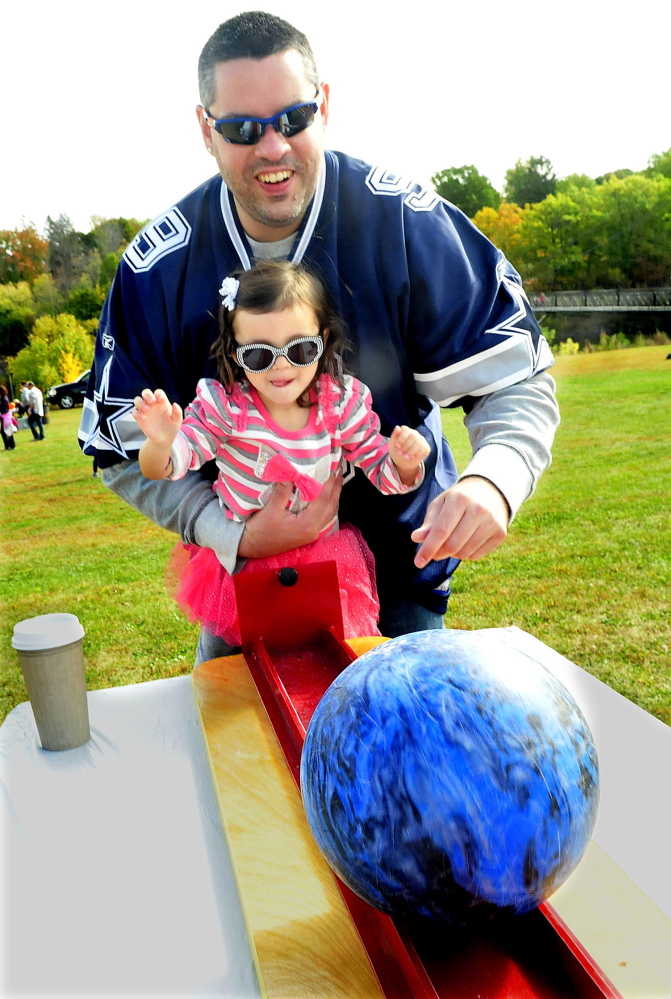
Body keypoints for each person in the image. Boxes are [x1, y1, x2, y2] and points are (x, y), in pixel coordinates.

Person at [79, 11, 559, 663]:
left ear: (324, 106)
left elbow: (515, 376)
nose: (272, 147)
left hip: (398, 573)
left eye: (293, 118)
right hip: (246, 580)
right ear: (205, 130)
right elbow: (118, 449)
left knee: (403, 755)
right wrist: (234, 532)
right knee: (235, 754)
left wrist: (493, 480)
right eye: (243, 129)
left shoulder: (402, 226)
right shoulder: (161, 268)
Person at [134, 261, 430, 644]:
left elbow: (383, 473)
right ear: (235, 353)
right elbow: (167, 465)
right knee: (236, 681)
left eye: (301, 349)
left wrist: (404, 464)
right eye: (260, 355)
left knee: (326, 666)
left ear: (323, 338)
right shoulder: (228, 408)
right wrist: (160, 443)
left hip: (323, 570)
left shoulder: (339, 404)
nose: (281, 366)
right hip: (238, 573)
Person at [1, 386, 17, 450]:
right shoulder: (4, 398)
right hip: (5, 416)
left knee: (5, 431)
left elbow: (4, 409)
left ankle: (9, 445)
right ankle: (10, 445)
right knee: (6, 431)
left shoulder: (3, 399)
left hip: (5, 417)